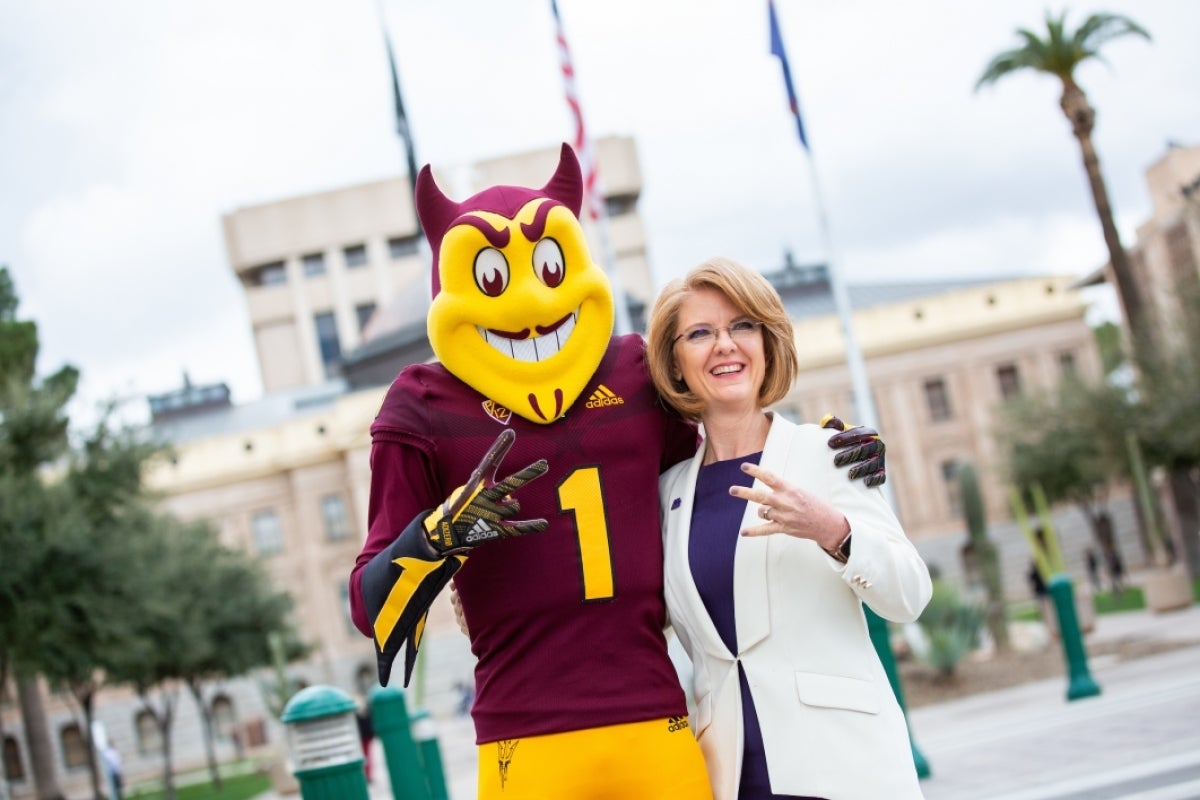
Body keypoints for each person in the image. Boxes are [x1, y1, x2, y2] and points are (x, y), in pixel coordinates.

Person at [349, 147, 885, 799]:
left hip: (653, 720)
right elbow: (367, 602)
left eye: (548, 267)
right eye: (494, 276)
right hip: (525, 734)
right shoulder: (423, 404)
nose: (528, 299)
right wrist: (434, 540)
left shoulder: (633, 372)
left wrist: (822, 455)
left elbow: (718, 463)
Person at [647, 257, 932, 800]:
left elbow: (910, 595)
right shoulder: (667, 493)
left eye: (742, 326)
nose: (725, 345)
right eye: (700, 333)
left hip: (843, 762)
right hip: (730, 772)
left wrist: (834, 530)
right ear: (676, 363)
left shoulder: (831, 454)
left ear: (766, 342)